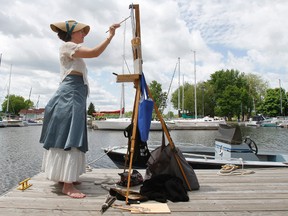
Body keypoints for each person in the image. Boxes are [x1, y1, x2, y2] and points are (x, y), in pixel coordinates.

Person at [40, 20, 120, 198]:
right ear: (71, 34)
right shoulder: (67, 46)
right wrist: (110, 36)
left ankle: (65, 178)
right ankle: (67, 186)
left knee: (67, 135)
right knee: (71, 135)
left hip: (73, 98)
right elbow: (95, 52)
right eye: (81, 32)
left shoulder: (73, 50)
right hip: (69, 98)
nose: (84, 34)